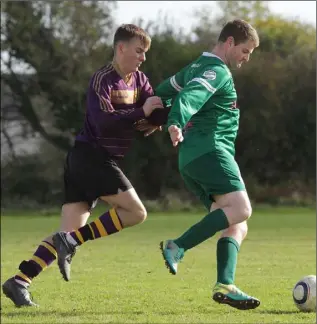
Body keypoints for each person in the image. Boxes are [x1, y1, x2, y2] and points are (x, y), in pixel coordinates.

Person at [2, 24, 163, 307]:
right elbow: (104, 120)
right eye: (139, 51)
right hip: (92, 158)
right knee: (136, 213)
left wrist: (175, 117)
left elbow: (154, 110)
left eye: (145, 53)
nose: (143, 57)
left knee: (66, 233)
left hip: (89, 160)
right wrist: (141, 113)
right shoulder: (103, 79)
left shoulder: (139, 80)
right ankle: (72, 242)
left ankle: (19, 282)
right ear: (121, 47)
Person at [155, 19, 261, 310]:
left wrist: (149, 104)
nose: (246, 57)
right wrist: (175, 121)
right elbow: (191, 96)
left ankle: (225, 283)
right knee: (241, 209)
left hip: (191, 158)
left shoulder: (195, 67)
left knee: (237, 223)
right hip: (211, 150)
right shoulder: (217, 70)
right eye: (245, 50)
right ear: (229, 43)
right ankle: (177, 246)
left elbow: (166, 89)